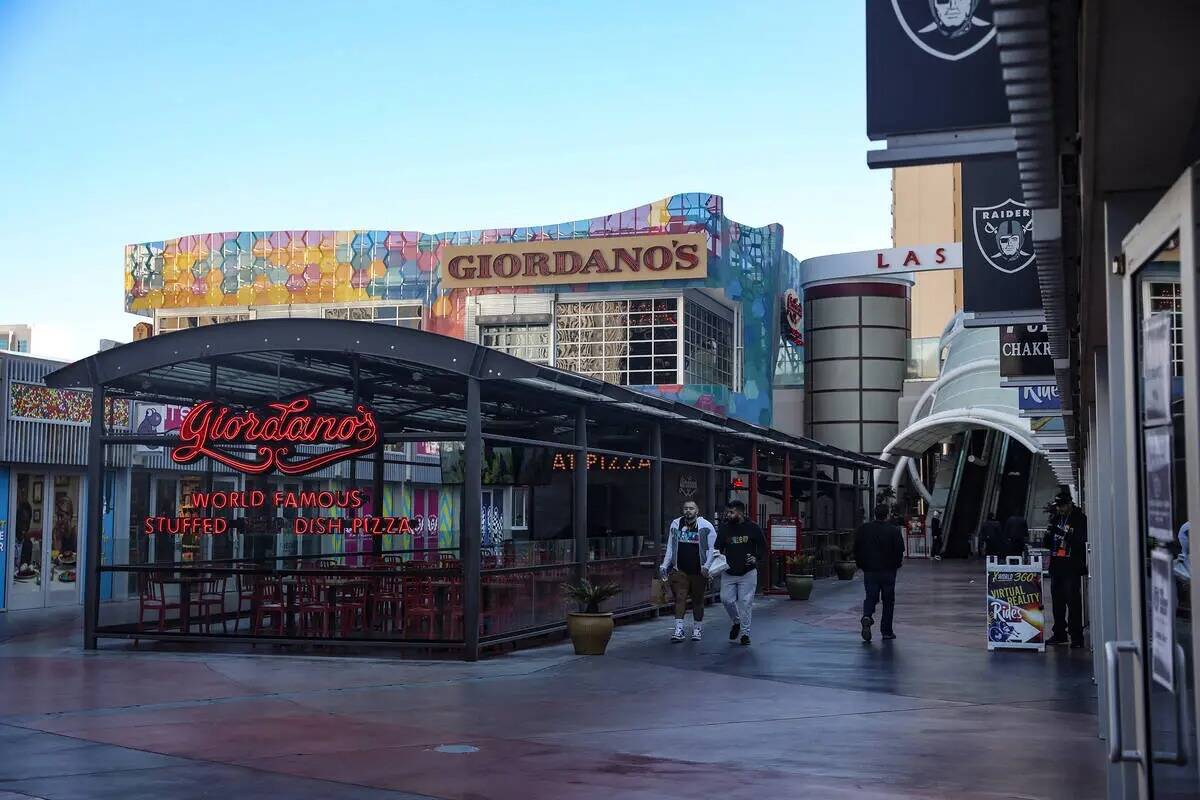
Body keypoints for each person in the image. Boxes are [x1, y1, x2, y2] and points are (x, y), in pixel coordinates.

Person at [659, 500, 718, 642]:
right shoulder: (676, 524)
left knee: (698, 601)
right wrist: (664, 564)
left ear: (697, 511)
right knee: (680, 598)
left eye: (691, 508)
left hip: (699, 571)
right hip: (680, 570)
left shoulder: (706, 526)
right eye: (685, 508)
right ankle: (679, 630)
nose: (688, 511)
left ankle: (697, 629)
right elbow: (670, 546)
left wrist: (707, 566)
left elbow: (712, 549)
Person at [715, 500, 767, 646]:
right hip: (729, 571)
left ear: (740, 512)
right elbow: (717, 548)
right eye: (727, 512)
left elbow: (763, 547)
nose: (728, 515)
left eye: (731, 512)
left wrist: (756, 557)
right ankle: (736, 621)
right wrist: (715, 562)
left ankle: (745, 634)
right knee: (726, 599)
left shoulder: (753, 527)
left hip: (748, 572)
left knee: (745, 602)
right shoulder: (725, 529)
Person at [1043, 488, 1088, 648]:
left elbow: (1079, 540)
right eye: (1057, 506)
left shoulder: (1079, 519)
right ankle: (1059, 633)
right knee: (1057, 601)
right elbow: (1048, 543)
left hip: (1071, 565)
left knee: (1072, 601)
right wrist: (1049, 535)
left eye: (1062, 506)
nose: (1059, 509)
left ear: (1069, 504)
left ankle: (1076, 636)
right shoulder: (1056, 518)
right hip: (1057, 564)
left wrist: (1061, 533)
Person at [854, 504, 905, 642]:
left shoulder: (864, 529)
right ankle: (886, 631)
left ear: (874, 514)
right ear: (887, 515)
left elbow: (857, 548)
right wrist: (896, 564)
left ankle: (867, 615)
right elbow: (900, 549)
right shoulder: (893, 530)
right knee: (888, 601)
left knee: (870, 596)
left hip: (870, 570)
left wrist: (861, 564)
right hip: (888, 570)